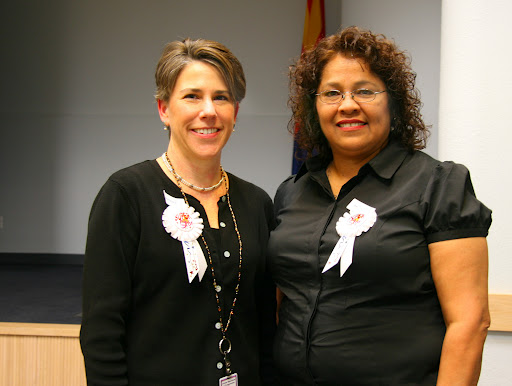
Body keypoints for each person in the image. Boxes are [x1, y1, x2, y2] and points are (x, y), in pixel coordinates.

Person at [268, 26, 492, 385]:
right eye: (331, 93)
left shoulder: (438, 185)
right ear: (314, 107)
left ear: (393, 102)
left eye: (365, 91)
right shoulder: (291, 193)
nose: (347, 105)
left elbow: (470, 322)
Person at [80, 38, 276, 385]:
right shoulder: (126, 195)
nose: (209, 111)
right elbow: (102, 330)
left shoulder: (256, 203)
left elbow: (263, 324)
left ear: (236, 112)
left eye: (222, 97)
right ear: (164, 109)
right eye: (192, 96)